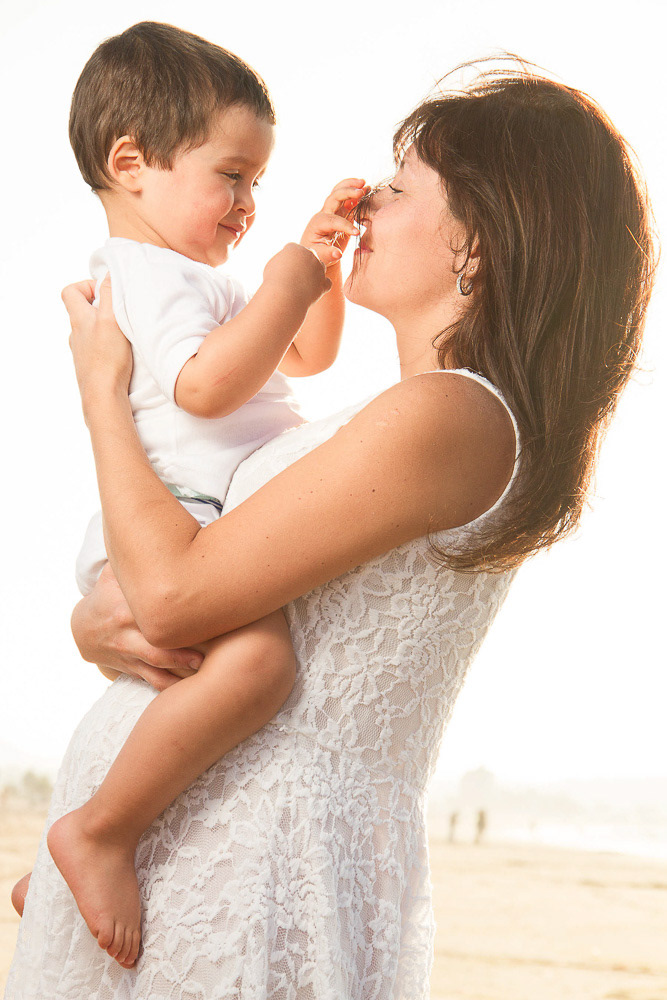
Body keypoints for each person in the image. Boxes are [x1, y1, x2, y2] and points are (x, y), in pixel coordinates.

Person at [5, 63, 654, 1000]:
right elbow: (189, 586)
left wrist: (102, 392)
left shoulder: (449, 414)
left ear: (477, 238)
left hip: (251, 861)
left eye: (400, 185)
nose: (369, 200)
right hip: (191, 851)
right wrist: (93, 625)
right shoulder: (396, 414)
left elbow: (177, 593)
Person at [14, 22, 367, 969]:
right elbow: (204, 388)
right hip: (174, 517)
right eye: (232, 175)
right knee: (260, 670)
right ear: (131, 163)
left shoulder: (193, 280)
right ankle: (98, 834)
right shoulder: (145, 275)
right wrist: (284, 281)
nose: (248, 204)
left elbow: (306, 355)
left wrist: (316, 272)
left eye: (257, 182)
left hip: (196, 522)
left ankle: (68, 858)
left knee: (206, 689)